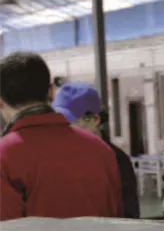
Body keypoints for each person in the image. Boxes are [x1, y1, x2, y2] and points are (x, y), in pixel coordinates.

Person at [0, 52, 123, 221]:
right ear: (51, 92)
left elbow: (6, 229)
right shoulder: (102, 150)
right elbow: (117, 218)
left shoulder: (5, 156)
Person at [53, 82, 140, 219]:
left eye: (69, 122)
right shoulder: (55, 156)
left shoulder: (116, 160)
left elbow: (129, 213)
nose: (62, 129)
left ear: (94, 120)